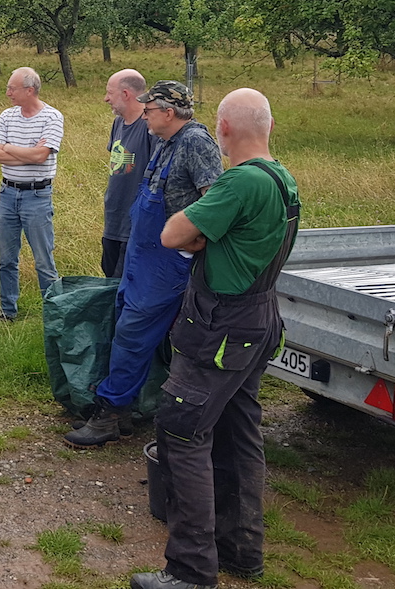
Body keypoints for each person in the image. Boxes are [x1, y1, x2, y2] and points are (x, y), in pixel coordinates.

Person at [131, 88, 300, 589]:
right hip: (261, 317)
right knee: (239, 431)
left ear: (223, 129)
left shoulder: (240, 183)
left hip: (221, 326)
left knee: (182, 431)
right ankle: (241, 549)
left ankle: (189, 571)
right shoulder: (282, 177)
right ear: (267, 127)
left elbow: (173, 234)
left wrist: (199, 226)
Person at [66, 80, 222, 448]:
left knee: (133, 337)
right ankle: (124, 413)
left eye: (150, 109)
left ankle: (109, 414)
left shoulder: (196, 143)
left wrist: (192, 243)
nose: (145, 114)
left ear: (169, 112)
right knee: (125, 329)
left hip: (166, 264)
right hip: (142, 257)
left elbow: (214, 205)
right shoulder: (165, 141)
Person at [0, 66, 64, 320]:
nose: (7, 92)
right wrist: (27, 154)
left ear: (29, 90)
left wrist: (10, 149)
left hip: (38, 197)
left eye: (12, 88)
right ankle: (7, 311)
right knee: (6, 259)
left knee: (43, 260)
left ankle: (54, 315)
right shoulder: (7, 116)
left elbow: (42, 156)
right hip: (8, 194)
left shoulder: (52, 117)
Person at [101, 69, 155, 279]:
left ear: (126, 94)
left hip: (135, 225)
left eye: (109, 93)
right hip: (113, 221)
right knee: (109, 280)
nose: (106, 99)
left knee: (124, 285)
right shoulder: (118, 123)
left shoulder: (150, 127)